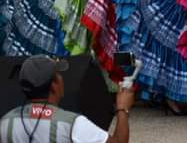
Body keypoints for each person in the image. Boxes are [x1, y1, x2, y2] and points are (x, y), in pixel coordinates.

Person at [0, 55, 135, 143]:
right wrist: (122, 109)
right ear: (54, 85)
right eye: (59, 74)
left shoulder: (6, 122)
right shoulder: (73, 124)